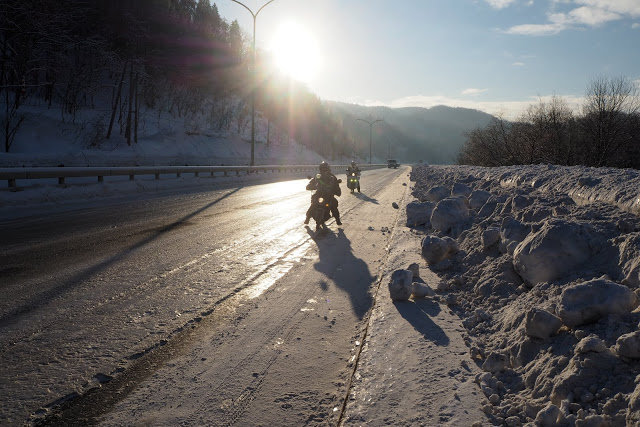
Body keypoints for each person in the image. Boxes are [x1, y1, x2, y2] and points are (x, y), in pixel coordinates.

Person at [305, 161, 342, 226]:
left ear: (328, 169)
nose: (324, 170)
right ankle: (307, 218)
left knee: (333, 204)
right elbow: (313, 181)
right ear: (320, 169)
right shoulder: (318, 176)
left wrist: (337, 191)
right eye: (322, 169)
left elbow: (336, 184)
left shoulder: (332, 177)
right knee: (313, 204)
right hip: (319, 193)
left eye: (325, 169)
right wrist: (309, 186)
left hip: (328, 194)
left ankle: (337, 219)